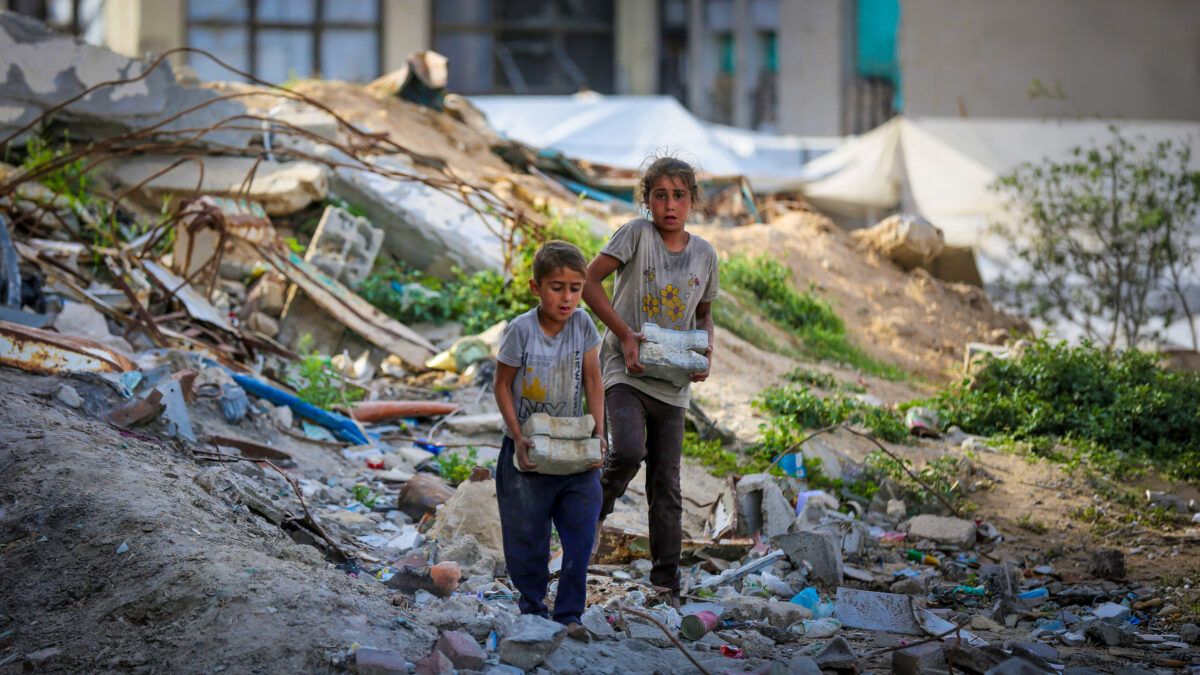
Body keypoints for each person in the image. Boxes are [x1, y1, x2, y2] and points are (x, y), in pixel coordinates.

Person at [582, 156, 718, 604]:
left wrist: (705, 352)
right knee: (627, 450)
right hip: (627, 370)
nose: (669, 205)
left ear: (692, 201)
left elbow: (704, 315)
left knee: (666, 485)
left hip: (673, 385)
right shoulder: (636, 235)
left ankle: (665, 583)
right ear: (647, 200)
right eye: (660, 195)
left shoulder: (705, 254)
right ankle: (590, 516)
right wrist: (624, 334)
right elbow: (589, 282)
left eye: (679, 195)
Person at [493, 240, 606, 638]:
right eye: (557, 287)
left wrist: (600, 433)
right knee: (527, 536)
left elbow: (593, 380)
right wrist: (518, 435)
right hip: (527, 451)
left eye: (575, 288)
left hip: (574, 449)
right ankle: (533, 608)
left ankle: (570, 614)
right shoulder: (520, 330)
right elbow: (502, 385)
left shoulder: (583, 325)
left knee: (581, 533)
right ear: (535, 287)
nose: (567, 298)